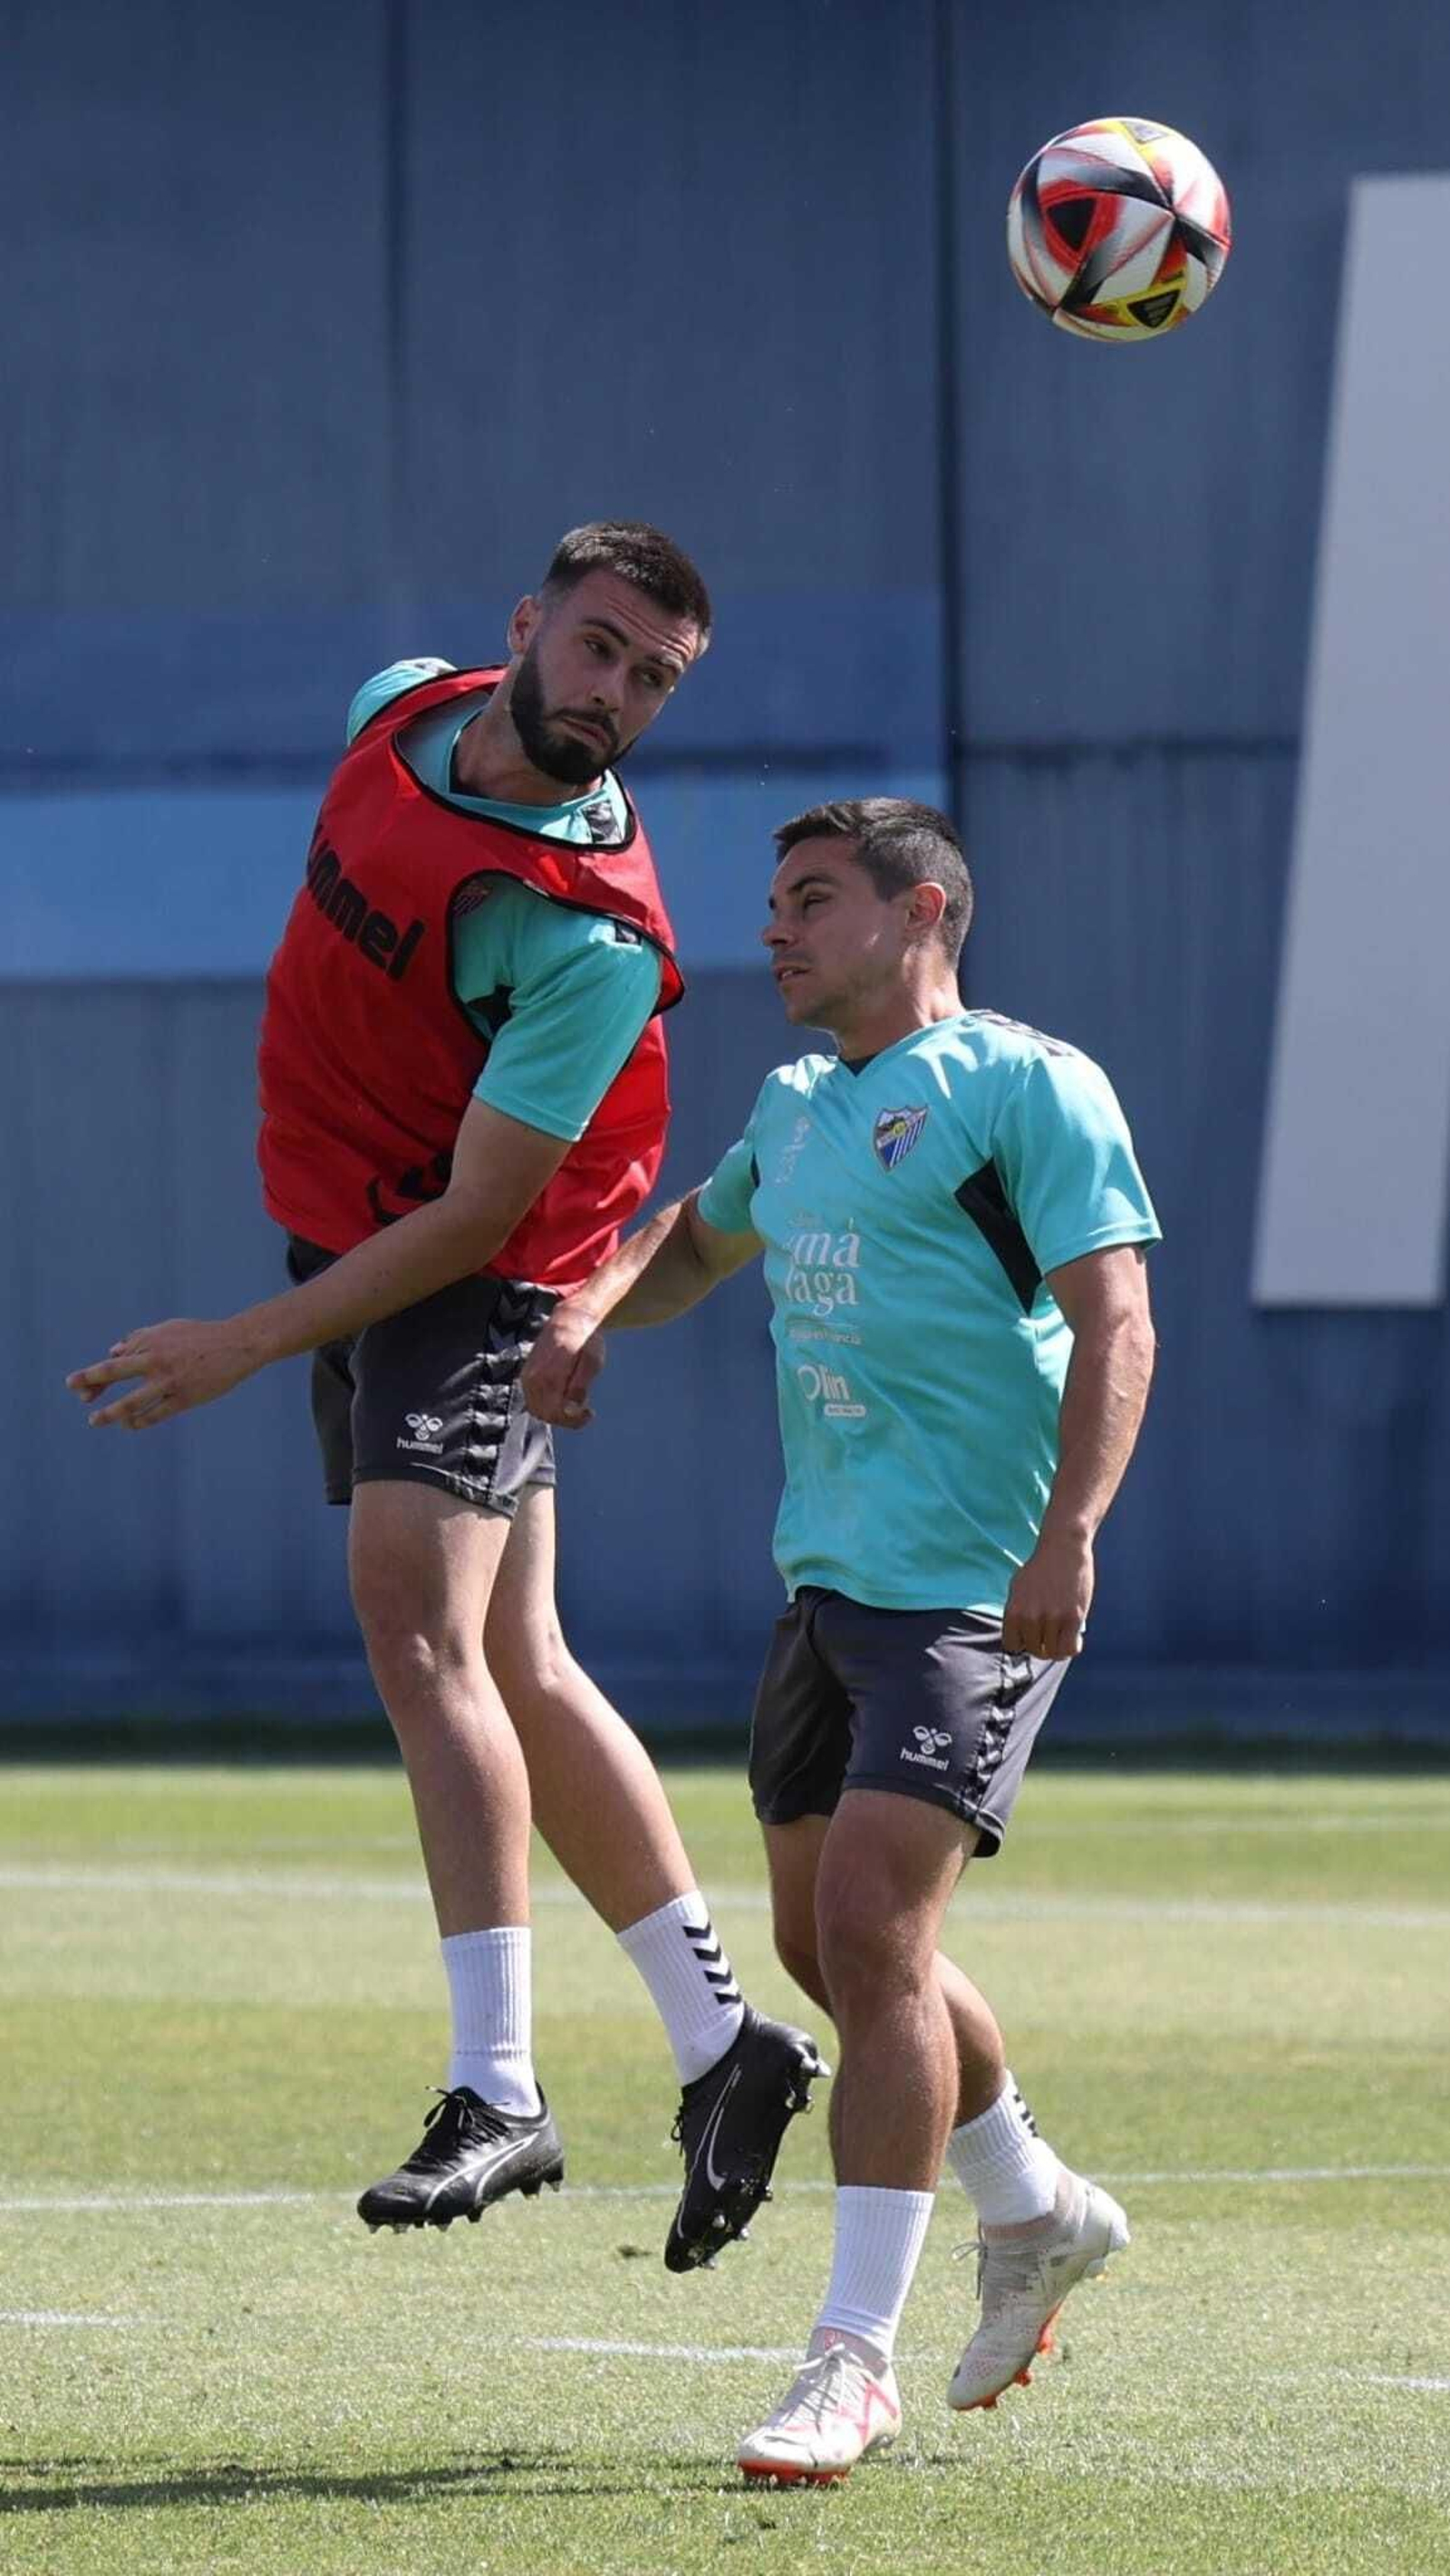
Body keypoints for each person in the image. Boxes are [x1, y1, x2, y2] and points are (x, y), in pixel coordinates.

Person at [66, 521, 824, 2271]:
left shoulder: (582, 933)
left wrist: (242, 1341)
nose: (617, 692)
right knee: (523, 1665)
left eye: (654, 679)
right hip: (362, 1223)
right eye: (603, 647)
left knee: (420, 1637)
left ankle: (501, 2086)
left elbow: (486, 1220)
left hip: (469, 1271)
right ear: (524, 628)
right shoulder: (401, 707)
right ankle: (729, 2048)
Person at [521, 795, 1159, 2482]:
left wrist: (1068, 1535)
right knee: (833, 1951)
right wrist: (588, 1312)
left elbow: (1119, 1321)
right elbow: (693, 1237)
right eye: (776, 900)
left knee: (874, 1929)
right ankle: (1031, 2202)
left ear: (923, 911)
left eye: (814, 899)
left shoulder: (1032, 1085)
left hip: (974, 1589)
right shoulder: (796, 1104)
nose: (777, 929)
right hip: (828, 1591)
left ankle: (846, 2360)